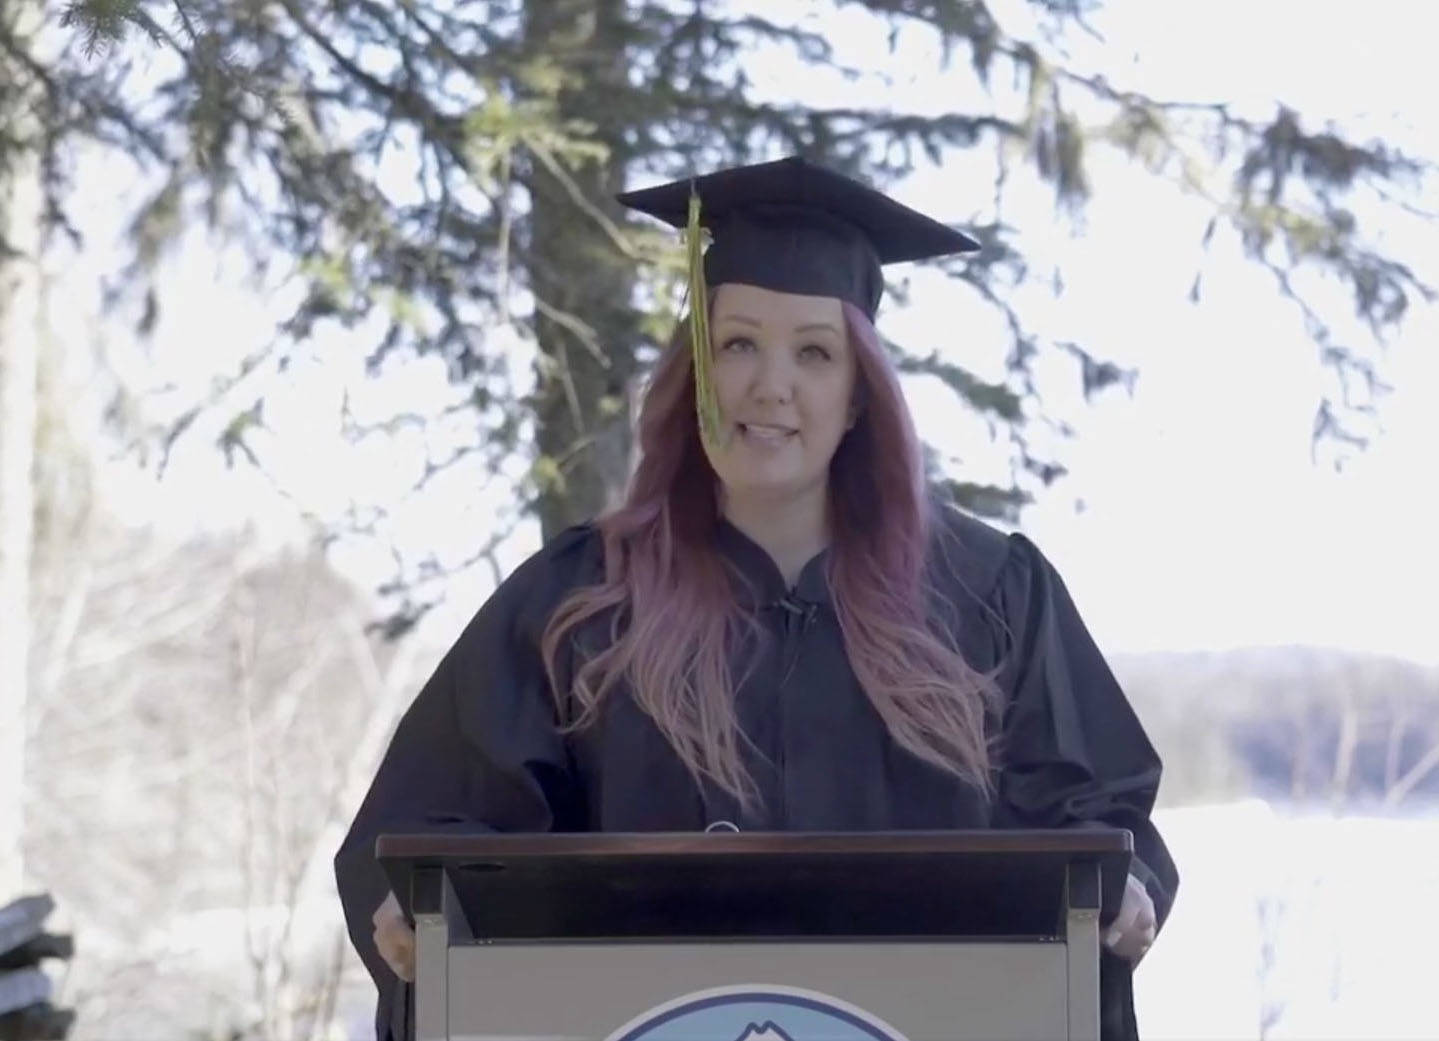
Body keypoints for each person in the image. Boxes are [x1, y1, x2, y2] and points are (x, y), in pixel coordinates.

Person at [334, 155, 1177, 1041]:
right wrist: (407, 905)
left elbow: (1095, 814)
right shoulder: (582, 602)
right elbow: (432, 826)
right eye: (736, 342)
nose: (771, 385)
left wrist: (1125, 888)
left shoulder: (988, 594)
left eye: (814, 352)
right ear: (692, 367)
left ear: (859, 395)